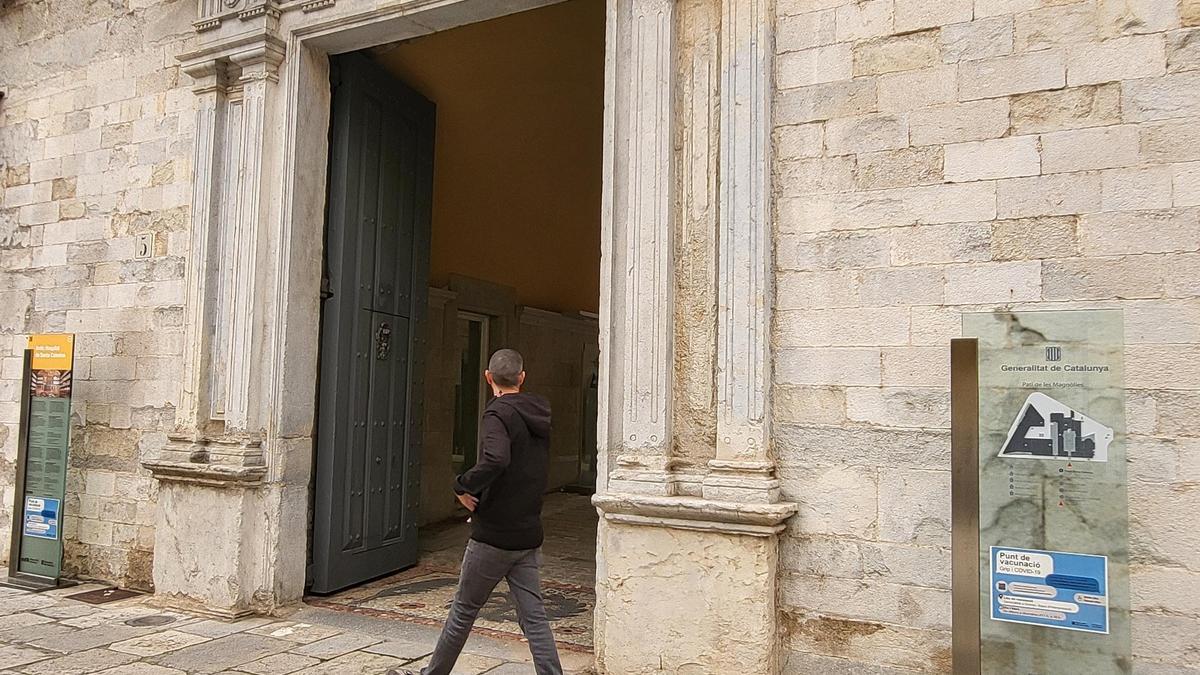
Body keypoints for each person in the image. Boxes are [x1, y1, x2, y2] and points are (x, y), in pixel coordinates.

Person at [392, 348, 563, 675]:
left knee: (463, 611)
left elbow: (497, 459)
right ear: (522, 378)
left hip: (494, 537)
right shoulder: (539, 414)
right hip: (527, 533)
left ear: (488, 378)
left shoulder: (498, 413)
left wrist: (462, 485)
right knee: (535, 618)